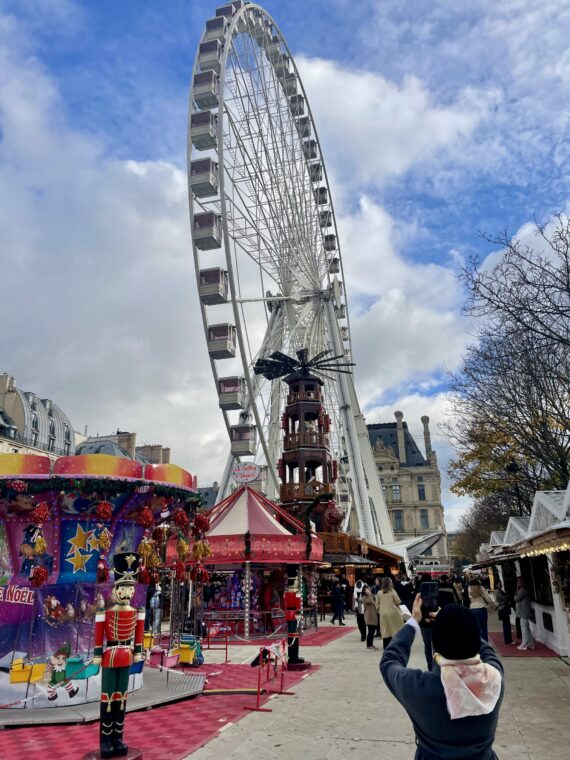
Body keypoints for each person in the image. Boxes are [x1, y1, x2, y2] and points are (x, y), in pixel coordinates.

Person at [380, 598, 504, 760]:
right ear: (474, 637)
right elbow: (487, 652)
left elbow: (389, 661)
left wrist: (413, 622)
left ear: (435, 644)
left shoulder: (420, 688)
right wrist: (460, 626)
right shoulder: (495, 678)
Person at [376, 577, 404, 648]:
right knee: (395, 630)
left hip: (383, 614)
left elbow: (377, 605)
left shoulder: (379, 592)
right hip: (393, 613)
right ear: (389, 583)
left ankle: (386, 648)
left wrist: (380, 611)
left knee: (385, 631)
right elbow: (398, 602)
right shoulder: (392, 591)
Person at [417, 573, 435, 671]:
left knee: (427, 646)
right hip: (435, 621)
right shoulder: (435, 590)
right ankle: (437, 666)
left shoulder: (419, 592)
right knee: (436, 646)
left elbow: (417, 607)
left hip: (424, 623)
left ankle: (430, 667)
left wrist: (423, 618)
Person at [514, 577, 534, 650]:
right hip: (524, 611)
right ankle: (531, 643)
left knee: (524, 628)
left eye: (520, 582)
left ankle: (524, 644)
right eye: (518, 581)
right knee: (527, 628)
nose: (518, 583)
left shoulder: (522, 590)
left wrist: (516, 590)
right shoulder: (523, 590)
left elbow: (516, 599)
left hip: (523, 611)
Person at [494, 580, 513, 646]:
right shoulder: (498, 591)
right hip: (503, 609)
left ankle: (508, 639)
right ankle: (508, 640)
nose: (501, 584)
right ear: (496, 585)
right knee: (506, 625)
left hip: (503, 609)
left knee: (506, 625)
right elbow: (505, 598)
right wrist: (507, 595)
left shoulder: (499, 591)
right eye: (499, 583)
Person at [362, 584, 378, 651]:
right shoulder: (364, 597)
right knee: (370, 631)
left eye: (369, 588)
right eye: (367, 589)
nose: (369, 590)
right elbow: (370, 601)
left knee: (373, 631)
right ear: (364, 590)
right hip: (369, 616)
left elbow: (376, 600)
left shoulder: (371, 596)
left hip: (373, 615)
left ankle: (371, 644)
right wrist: (369, 594)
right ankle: (368, 646)